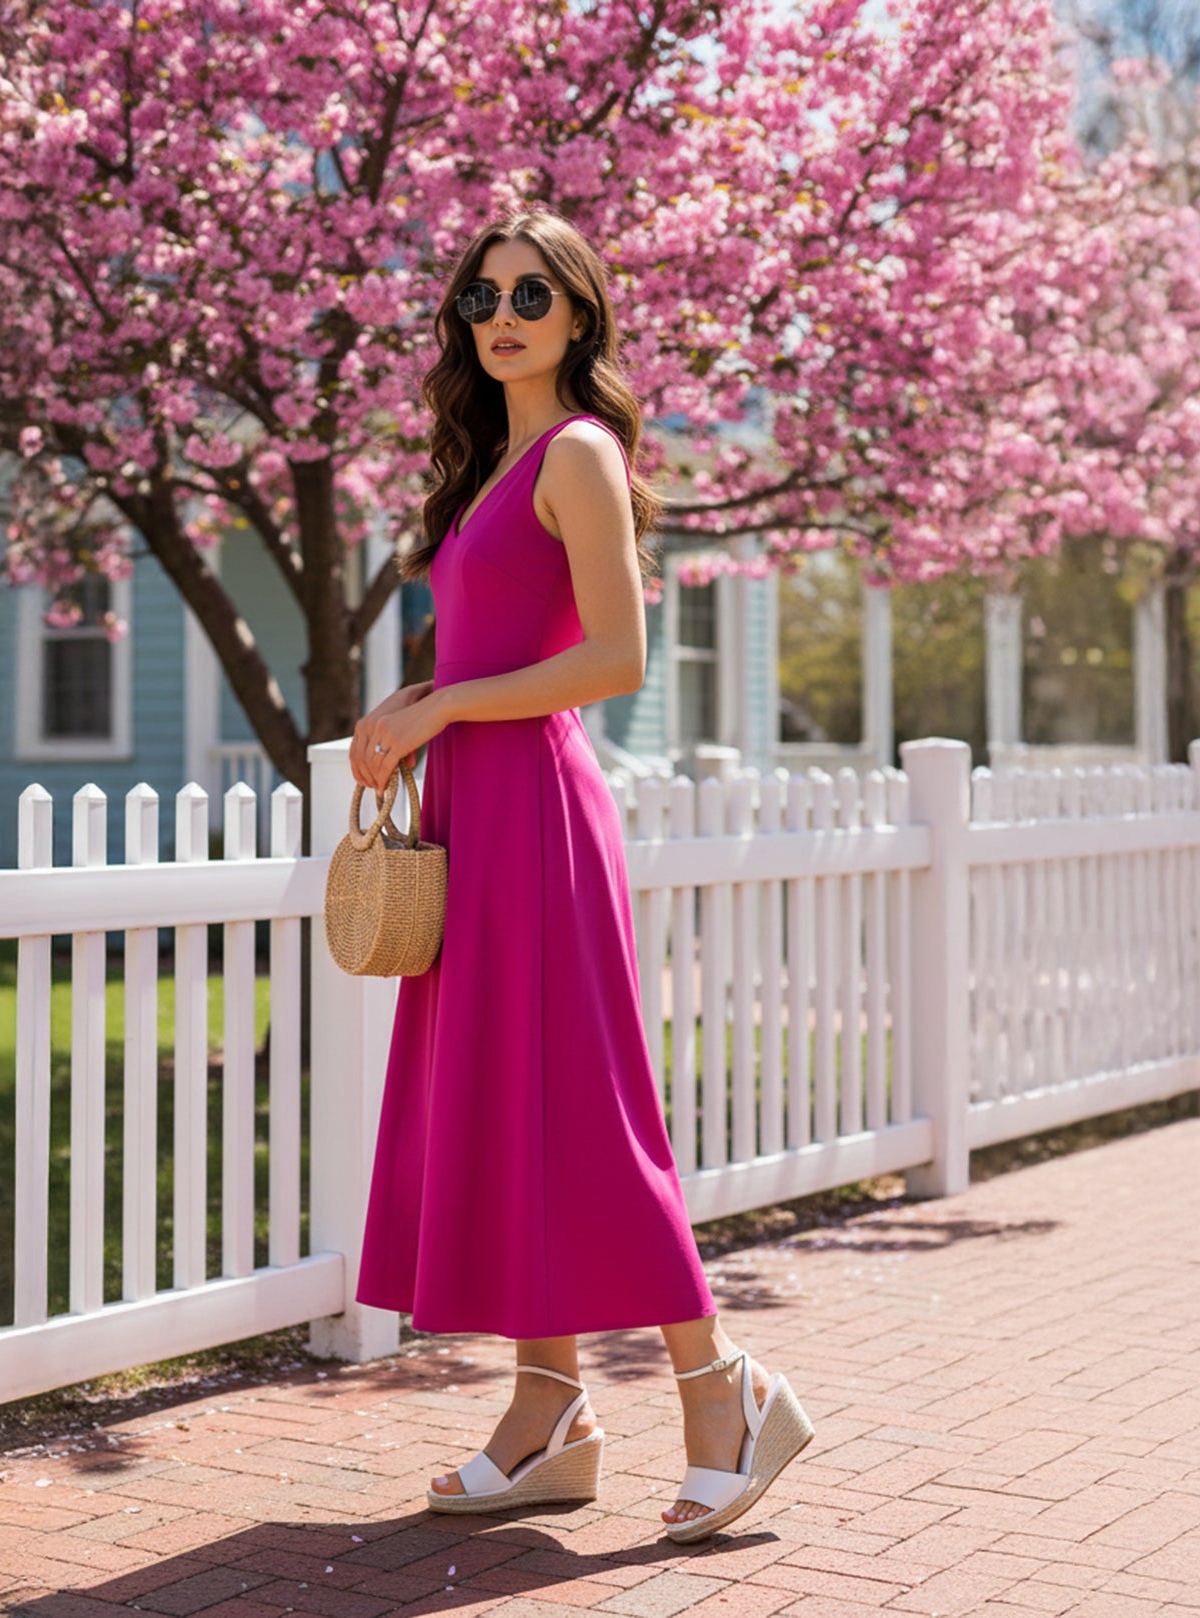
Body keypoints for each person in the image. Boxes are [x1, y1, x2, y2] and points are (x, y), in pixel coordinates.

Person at [346, 207, 813, 1544]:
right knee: (503, 1105)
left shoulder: (580, 453)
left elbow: (616, 660)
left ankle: (722, 1389)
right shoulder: (492, 464)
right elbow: (507, 644)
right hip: (476, 817)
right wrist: (423, 700)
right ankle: (545, 1407)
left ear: (580, 317)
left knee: (588, 1110)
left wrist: (444, 709)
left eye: (532, 296)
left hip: (538, 819)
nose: (501, 314)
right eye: (482, 294)